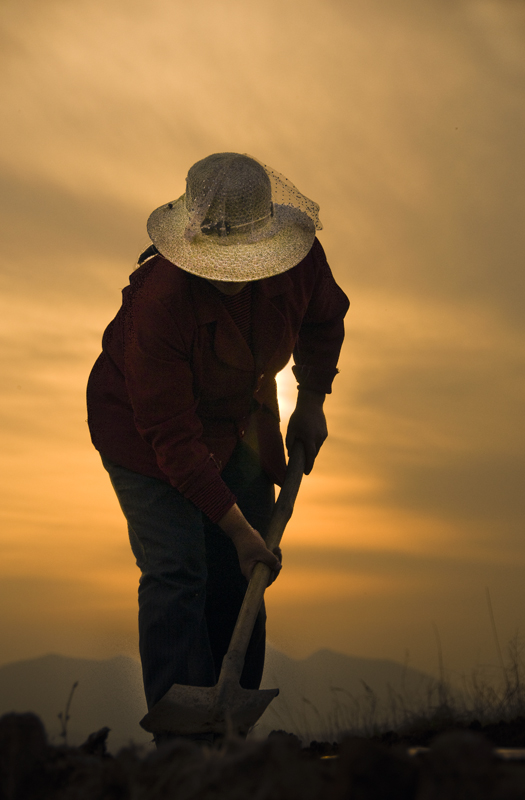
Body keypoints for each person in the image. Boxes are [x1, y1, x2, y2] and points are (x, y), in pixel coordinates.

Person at [86, 152, 349, 728]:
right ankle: (181, 745)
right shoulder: (162, 303)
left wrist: (309, 401)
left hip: (241, 424)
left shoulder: (300, 264)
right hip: (143, 434)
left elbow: (325, 320)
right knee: (180, 569)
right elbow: (172, 438)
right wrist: (236, 527)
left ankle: (230, 732)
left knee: (241, 573)